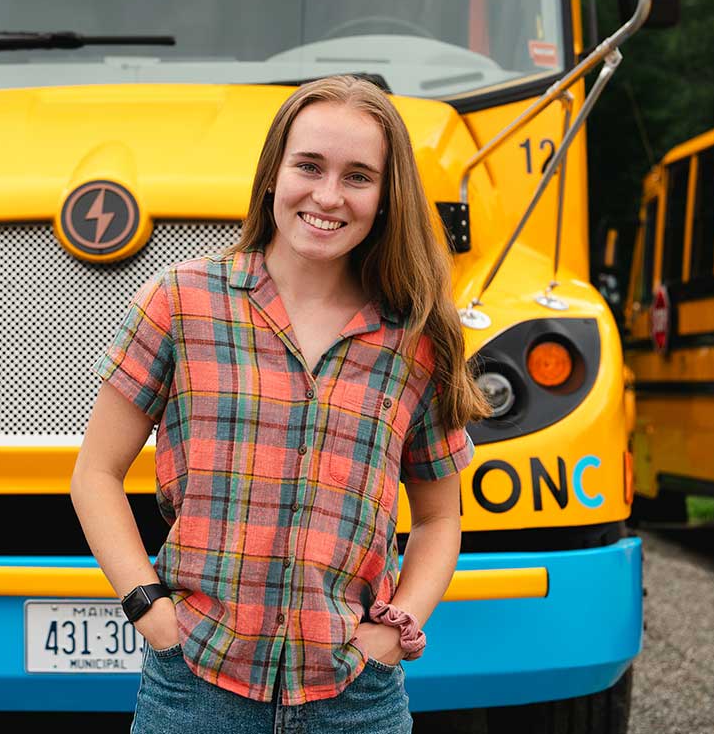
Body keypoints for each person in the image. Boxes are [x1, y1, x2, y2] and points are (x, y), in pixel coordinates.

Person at [70, 75, 489, 733]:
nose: (327, 195)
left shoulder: (418, 339)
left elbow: (439, 520)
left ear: (385, 198)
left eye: (357, 176)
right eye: (310, 166)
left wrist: (395, 629)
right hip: (195, 691)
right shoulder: (180, 302)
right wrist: (149, 609)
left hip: (354, 699)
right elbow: (94, 474)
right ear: (273, 175)